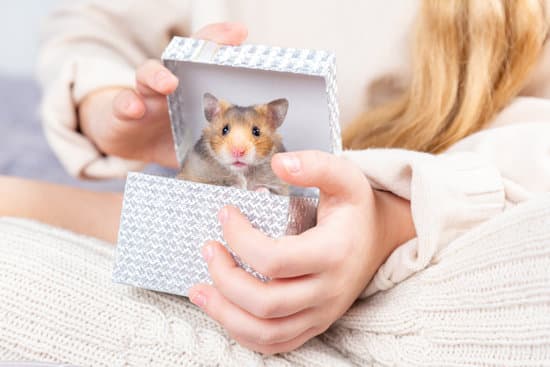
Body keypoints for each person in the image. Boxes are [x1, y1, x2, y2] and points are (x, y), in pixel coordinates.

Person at [1, 0, 549, 358]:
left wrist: (389, 217)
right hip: (231, 220)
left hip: (438, 216)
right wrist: (109, 108)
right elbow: (94, 24)